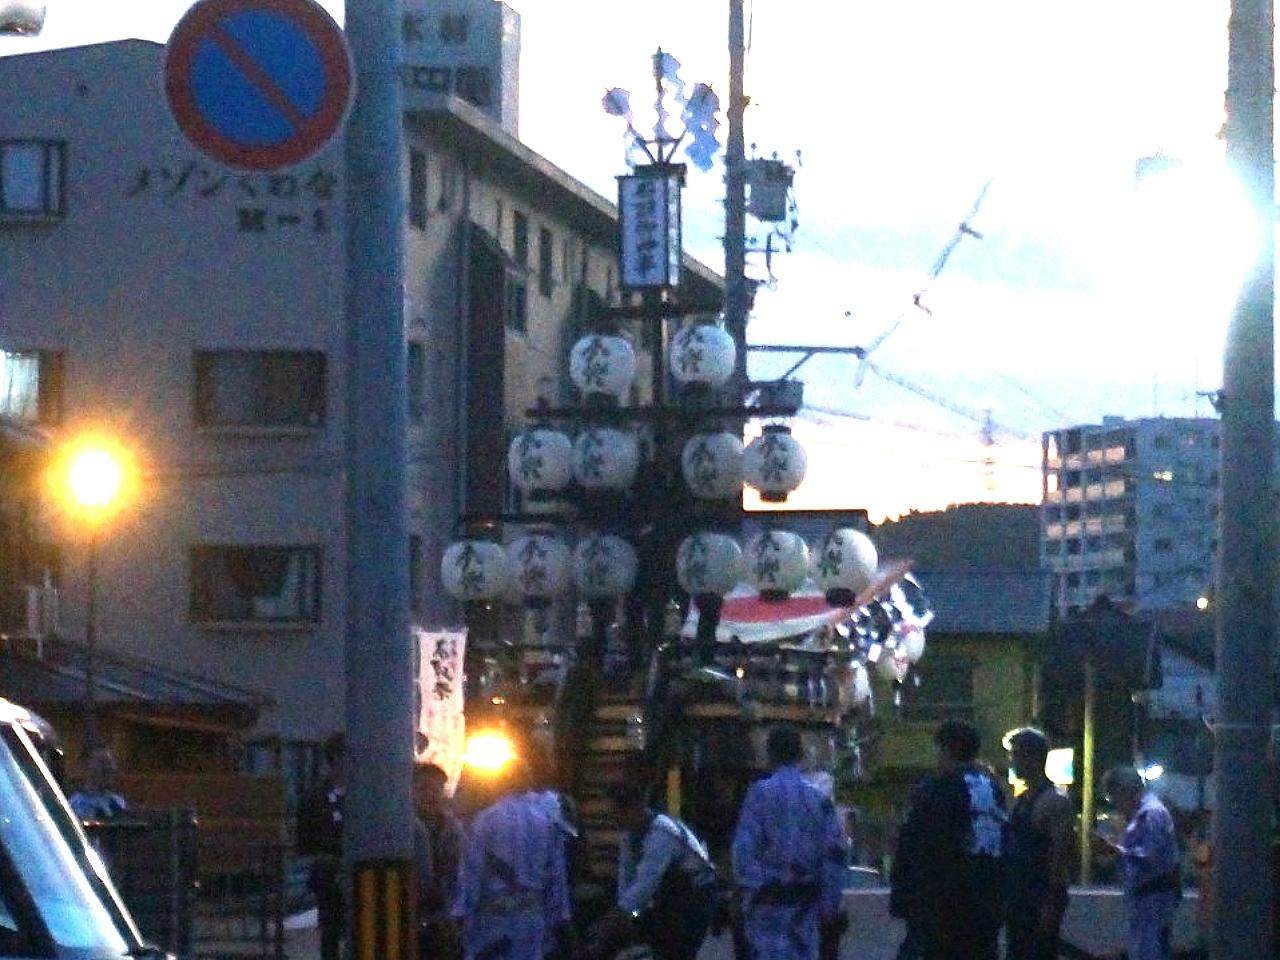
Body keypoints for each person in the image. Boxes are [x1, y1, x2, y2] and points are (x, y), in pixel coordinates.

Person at [889, 719, 1006, 960]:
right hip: (986, 901)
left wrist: (905, 894)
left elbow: (919, 846)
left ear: (946, 750)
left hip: (943, 905)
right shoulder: (993, 789)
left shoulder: (938, 789)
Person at [731, 724, 848, 960]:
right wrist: (829, 906)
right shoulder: (819, 800)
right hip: (805, 911)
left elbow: (743, 852)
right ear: (800, 755)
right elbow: (834, 856)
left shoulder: (759, 795)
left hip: (765, 909)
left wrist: (755, 887)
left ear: (769, 754)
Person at [453, 757, 574, 960]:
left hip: (493, 922)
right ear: (529, 781)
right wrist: (561, 920)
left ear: (500, 781)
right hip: (532, 921)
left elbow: (472, 875)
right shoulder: (548, 821)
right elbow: (557, 878)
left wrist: (460, 915)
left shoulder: (485, 821)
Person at [589, 778, 719, 960]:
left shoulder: (662, 833)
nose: (615, 820)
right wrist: (621, 916)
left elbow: (645, 884)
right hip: (671, 896)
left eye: (617, 814)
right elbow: (626, 876)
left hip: (696, 895)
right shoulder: (629, 833)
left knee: (677, 950)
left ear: (634, 808)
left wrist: (615, 918)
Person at [1095, 765, 1180, 960]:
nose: (1115, 805)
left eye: (1114, 798)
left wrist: (1115, 850)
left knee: (1148, 952)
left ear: (1125, 791)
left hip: (1153, 897)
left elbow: (1149, 856)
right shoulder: (1145, 814)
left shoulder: (1151, 814)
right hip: (1147, 898)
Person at [1004, 727, 1075, 960]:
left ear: (1033, 759)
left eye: (1015, 755)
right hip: (1020, 895)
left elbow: (1060, 856)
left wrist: (1050, 902)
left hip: (1039, 896)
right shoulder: (1024, 799)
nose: (1011, 762)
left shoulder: (1054, 801)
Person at [297, 733, 346, 960]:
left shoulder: (365, 795)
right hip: (328, 875)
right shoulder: (316, 797)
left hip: (356, 871)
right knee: (331, 932)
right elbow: (306, 840)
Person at [414, 761, 466, 960]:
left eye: (436, 789)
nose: (431, 795)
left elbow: (461, 870)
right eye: (424, 788)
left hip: (443, 916)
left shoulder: (452, 828)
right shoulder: (403, 829)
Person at [68, 747, 129, 820]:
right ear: (87, 767)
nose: (109, 768)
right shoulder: (75, 805)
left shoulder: (118, 802)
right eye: (101, 764)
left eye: (109, 763)